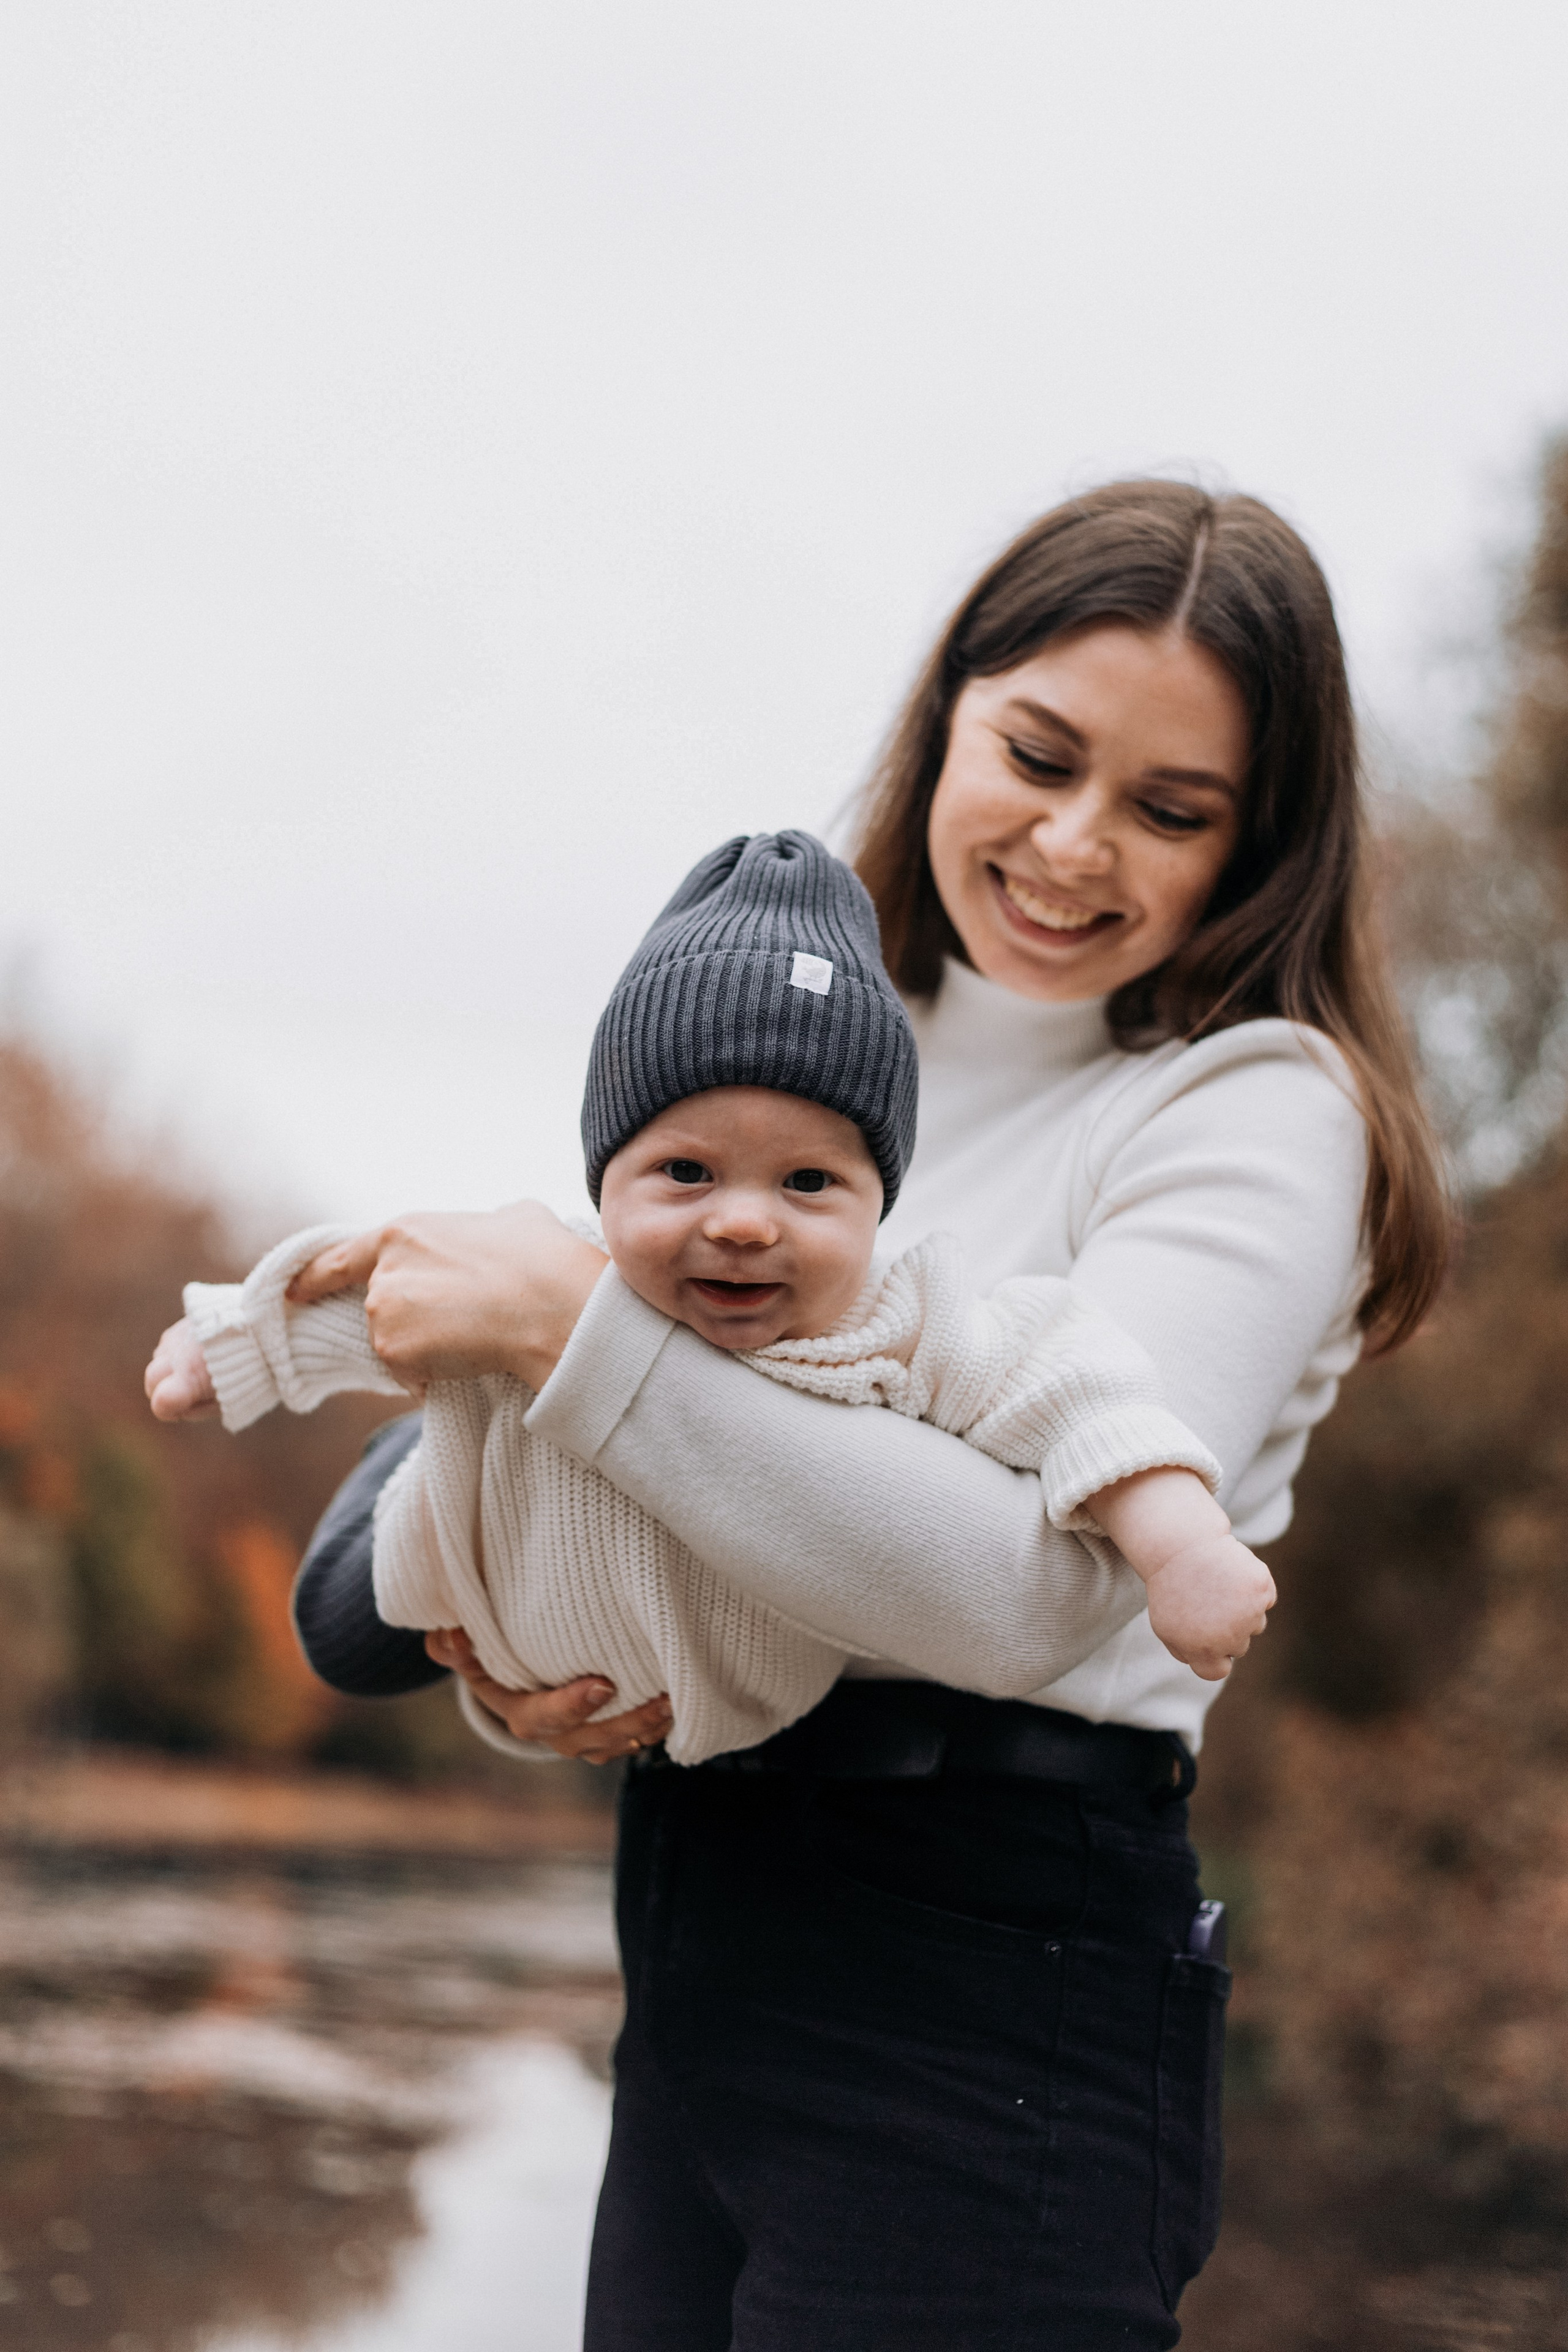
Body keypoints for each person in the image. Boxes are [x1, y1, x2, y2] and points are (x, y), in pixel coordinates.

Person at [267, 482, 1451, 2348]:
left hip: (992, 1992)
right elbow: (368, 1583)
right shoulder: (810, 1060)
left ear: (1261, 844)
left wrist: (578, 1330)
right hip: (709, 1943)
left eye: (1171, 808)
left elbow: (1034, 1595)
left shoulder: (1254, 1106)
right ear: (948, 717)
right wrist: (517, 1646)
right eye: (1040, 755)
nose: (1076, 846)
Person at [146, 831, 1272, 1765]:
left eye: (809, 1183)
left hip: (705, 1732)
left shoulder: (908, 1319)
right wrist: (232, 1345)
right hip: (491, 1530)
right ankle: (406, 1455)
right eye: (686, 1173)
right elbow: (365, 1284)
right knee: (340, 1634)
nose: (742, 1222)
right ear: (606, 1181)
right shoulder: (541, 1276)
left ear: (882, 1203)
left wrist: (1178, 1545)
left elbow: (1085, 1394)